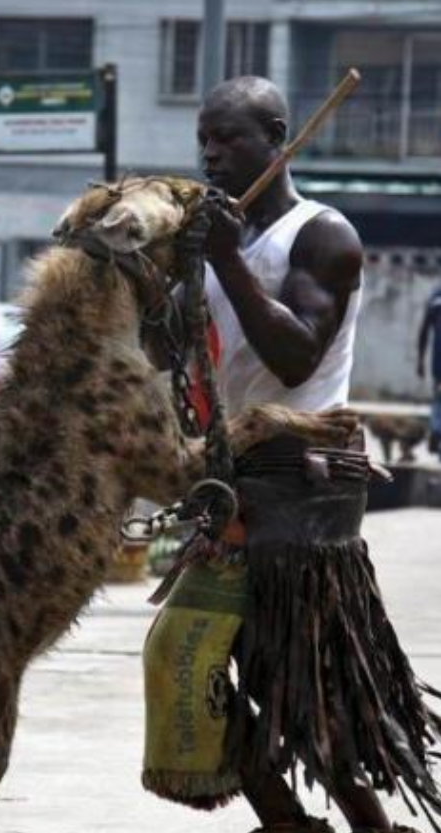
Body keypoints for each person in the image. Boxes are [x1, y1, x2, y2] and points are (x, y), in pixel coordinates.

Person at [139, 76, 440, 833]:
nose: (210, 153)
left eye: (229, 137)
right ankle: (288, 820)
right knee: (183, 656)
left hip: (304, 483)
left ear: (276, 137)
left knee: (298, 678)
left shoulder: (321, 234)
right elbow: (164, 350)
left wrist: (228, 263)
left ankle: (359, 825)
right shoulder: (213, 242)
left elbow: (298, 355)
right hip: (231, 473)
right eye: (203, 139)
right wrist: (163, 280)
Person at [417, 286, 441, 458]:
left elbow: (424, 330)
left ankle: (436, 428)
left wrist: (420, 360)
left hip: (438, 361)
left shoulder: (436, 296)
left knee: (439, 397)